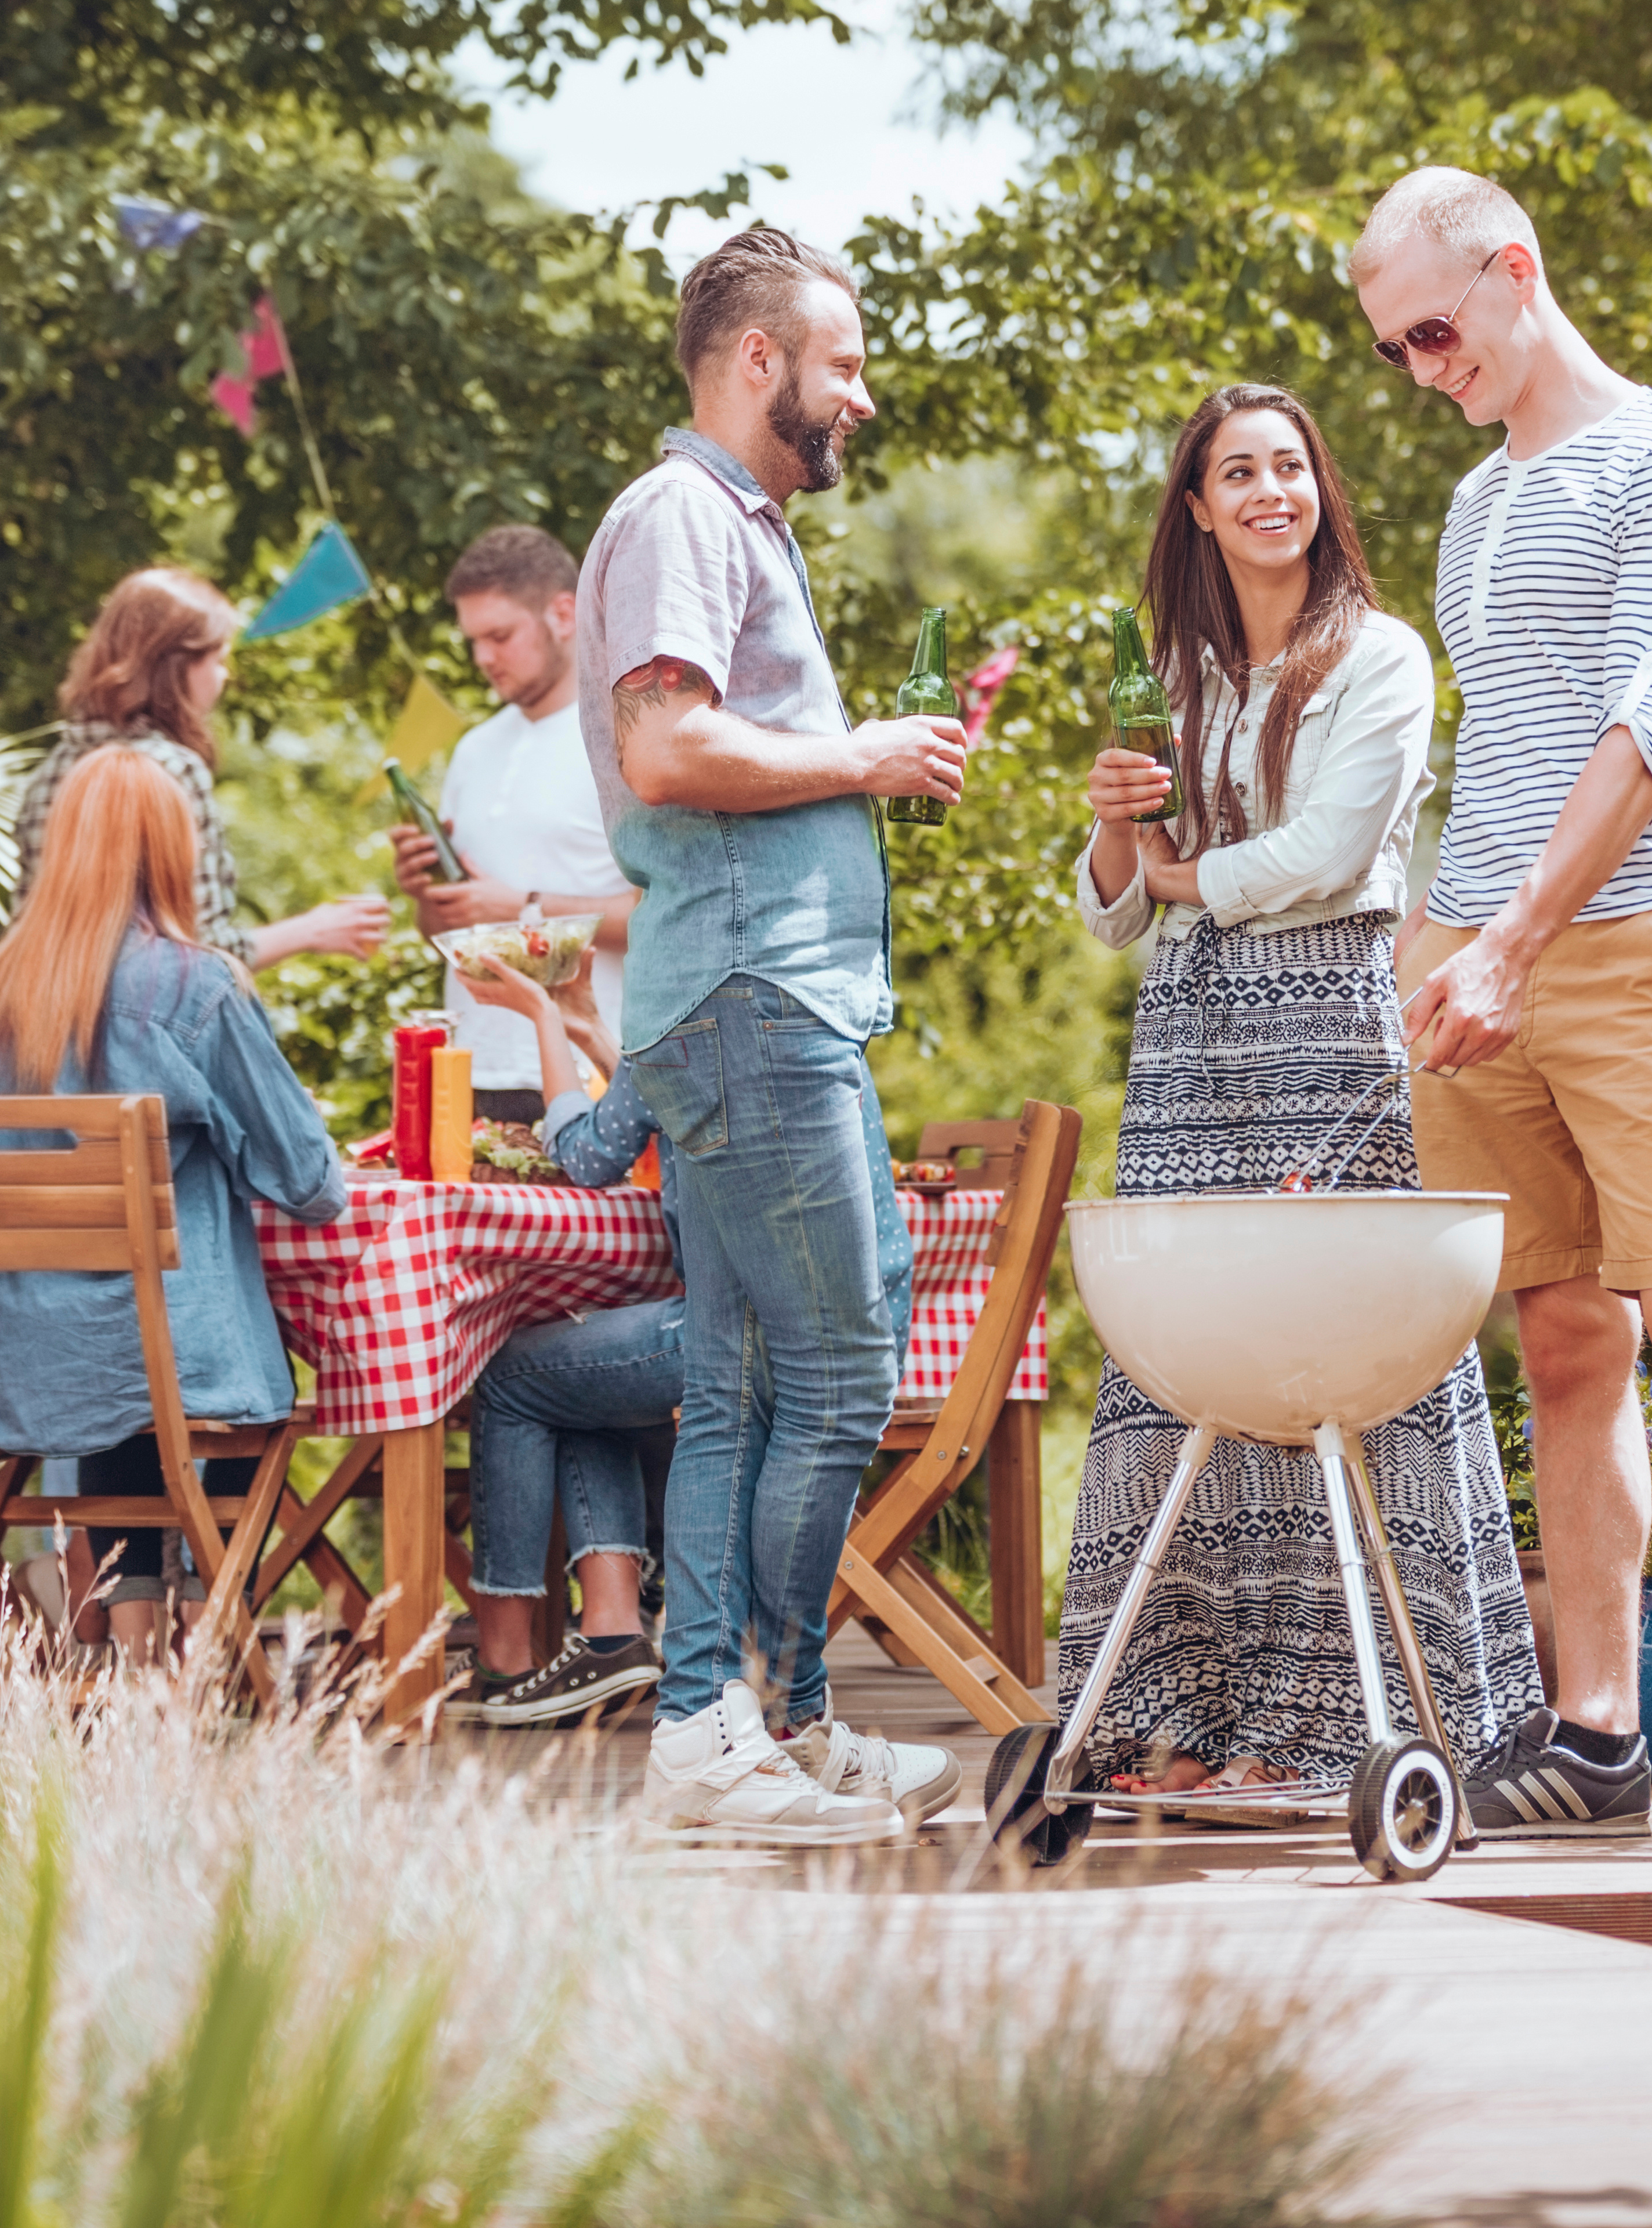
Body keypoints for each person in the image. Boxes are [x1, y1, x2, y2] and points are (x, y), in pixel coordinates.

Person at [1353, 167, 1652, 1865]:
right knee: (1563, 1337)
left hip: (1643, 945)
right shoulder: (1479, 507)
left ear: (1512, 271)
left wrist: (1520, 945)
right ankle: (1600, 1731)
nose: (1417, 367)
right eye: (1392, 347)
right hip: (1489, 951)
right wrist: (1437, 937)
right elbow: (1505, 745)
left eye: (1430, 327)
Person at [1061, 382, 1543, 1818]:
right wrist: (1107, 829)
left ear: (1318, 492)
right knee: (1185, 1354)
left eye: (1289, 467)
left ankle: (1351, 1717)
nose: (1271, 490)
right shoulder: (1178, 670)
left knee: (1344, 1355)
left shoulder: (1378, 658)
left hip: (1326, 1023)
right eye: (1237, 472)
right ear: (1195, 507)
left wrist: (1175, 876)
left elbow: (1332, 853)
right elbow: (1105, 919)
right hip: (1187, 1040)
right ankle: (1177, 1710)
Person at [579, 225, 966, 1843]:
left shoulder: (735, 523)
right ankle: (728, 1721)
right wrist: (865, 755)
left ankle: (755, 1725)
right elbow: (667, 751)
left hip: (747, 999)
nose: (859, 397)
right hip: (752, 1003)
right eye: (845, 363)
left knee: (740, 1389)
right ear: (760, 364)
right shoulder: (683, 513)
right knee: (839, 1367)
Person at [0, 745, 349, 1662]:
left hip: (9, 1363)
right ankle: (209, 1646)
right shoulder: (193, 987)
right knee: (161, 1361)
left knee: (118, 1358)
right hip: (175, 1363)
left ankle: (136, 1654)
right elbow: (312, 1185)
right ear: (172, 853)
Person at [448, 953, 672, 1733]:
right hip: (815, 1336)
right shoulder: (770, 1010)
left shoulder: (691, 1013)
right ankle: (612, 1634)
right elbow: (661, 1095)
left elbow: (583, 1159)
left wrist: (543, 1016)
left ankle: (505, 1659)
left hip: (725, 1333)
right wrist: (584, 1026)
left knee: (516, 1374)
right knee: (573, 1358)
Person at [18, 566, 391, 973]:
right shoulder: (171, 772)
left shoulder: (52, 772)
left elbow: (31, 940)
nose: (225, 676)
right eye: (219, 660)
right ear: (176, 668)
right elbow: (198, 954)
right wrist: (312, 930)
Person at [390, 526, 640, 1120]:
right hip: (472, 1070)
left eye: (500, 636)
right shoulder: (473, 749)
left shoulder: (624, 741)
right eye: (474, 640)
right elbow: (441, 932)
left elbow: (660, 917)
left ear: (562, 614)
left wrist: (520, 908)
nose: (483, 658)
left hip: (594, 1066)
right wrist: (428, 893)